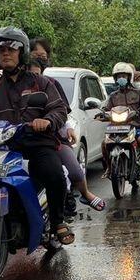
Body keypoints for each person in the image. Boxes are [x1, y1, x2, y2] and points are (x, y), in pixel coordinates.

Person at [0, 26, 73, 243]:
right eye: (0, 50)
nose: (5, 53)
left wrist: (47, 121)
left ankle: (58, 221)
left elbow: (59, 109)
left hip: (38, 144)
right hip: (4, 147)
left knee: (54, 174)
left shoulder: (41, 83)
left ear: (22, 52)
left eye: (11, 48)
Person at [26, 55, 105, 212]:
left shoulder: (51, 85)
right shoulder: (5, 88)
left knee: (71, 170)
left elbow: (62, 111)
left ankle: (80, 196)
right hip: (19, 140)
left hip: (51, 138)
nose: (34, 78)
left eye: (37, 73)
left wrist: (65, 126)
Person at [100, 62, 140, 178]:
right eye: (119, 76)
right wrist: (102, 113)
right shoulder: (113, 95)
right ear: (115, 78)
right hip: (116, 127)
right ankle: (109, 167)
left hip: (134, 125)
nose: (121, 78)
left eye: (124, 76)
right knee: (104, 144)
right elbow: (106, 108)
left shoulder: (138, 93)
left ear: (129, 77)